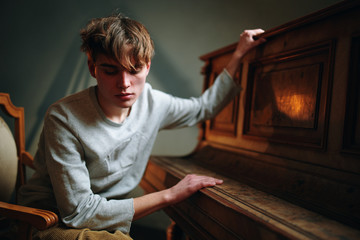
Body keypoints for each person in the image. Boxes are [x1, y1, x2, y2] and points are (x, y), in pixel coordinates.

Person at [18, 13, 265, 240]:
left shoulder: (153, 102)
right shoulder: (63, 117)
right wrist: (170, 195)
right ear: (93, 68)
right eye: (111, 70)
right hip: (49, 220)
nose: (124, 83)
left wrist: (238, 56)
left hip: (103, 217)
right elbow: (80, 212)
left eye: (134, 69)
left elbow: (203, 109)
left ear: (147, 66)